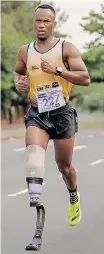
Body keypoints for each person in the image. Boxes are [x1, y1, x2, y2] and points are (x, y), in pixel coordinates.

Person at [14, 3, 90, 250]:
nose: (42, 25)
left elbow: (85, 78)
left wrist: (57, 70)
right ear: (33, 23)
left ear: (54, 24)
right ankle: (38, 213)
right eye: (38, 21)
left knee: (65, 167)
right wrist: (20, 83)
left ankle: (73, 194)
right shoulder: (25, 51)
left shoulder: (66, 47)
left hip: (62, 114)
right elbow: (18, 73)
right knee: (34, 162)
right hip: (37, 114)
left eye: (47, 21)